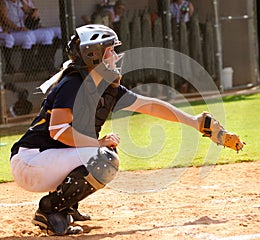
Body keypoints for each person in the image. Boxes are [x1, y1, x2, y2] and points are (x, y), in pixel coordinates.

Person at [9, 24, 244, 236]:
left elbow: (149, 105)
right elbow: (57, 131)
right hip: (31, 160)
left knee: (105, 154)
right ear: (93, 55)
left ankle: (66, 206)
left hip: (46, 159)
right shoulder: (74, 83)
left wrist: (194, 121)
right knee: (104, 158)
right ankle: (49, 211)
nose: (115, 56)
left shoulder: (105, 87)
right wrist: (97, 143)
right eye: (108, 50)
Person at [0, 0, 59, 73]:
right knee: (28, 37)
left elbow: (29, 10)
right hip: (12, 31)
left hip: (23, 31)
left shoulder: (19, 2)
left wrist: (35, 11)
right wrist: (18, 28)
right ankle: (26, 66)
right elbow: (4, 19)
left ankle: (44, 63)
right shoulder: (4, 3)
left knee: (46, 35)